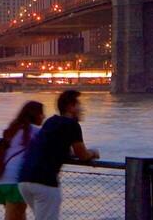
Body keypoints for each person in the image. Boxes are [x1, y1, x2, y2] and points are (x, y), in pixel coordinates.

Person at [17, 90, 99, 220]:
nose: (81, 108)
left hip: (24, 179)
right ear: (70, 107)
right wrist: (93, 153)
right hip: (44, 182)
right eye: (78, 104)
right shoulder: (72, 125)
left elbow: (51, 145)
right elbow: (82, 154)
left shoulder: (50, 122)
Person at [0, 102, 45, 220]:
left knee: (19, 216)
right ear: (35, 115)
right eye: (41, 113)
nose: (43, 116)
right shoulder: (35, 132)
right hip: (15, 181)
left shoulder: (13, 129)